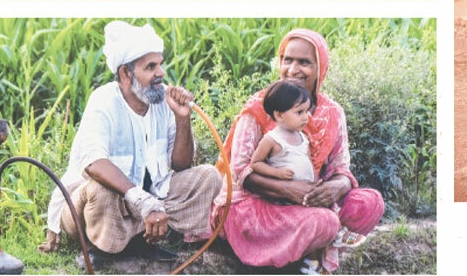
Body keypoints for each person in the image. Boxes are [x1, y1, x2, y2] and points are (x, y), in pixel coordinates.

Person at [38, 21, 223, 268]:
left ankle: (141, 236)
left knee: (208, 177)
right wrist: (142, 201)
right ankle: (104, 247)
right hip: (92, 209)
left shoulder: (161, 99)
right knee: (101, 190)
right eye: (151, 67)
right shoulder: (104, 100)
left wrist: (182, 118)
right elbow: (94, 163)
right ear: (126, 74)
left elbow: (181, 164)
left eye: (160, 64)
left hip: (149, 200)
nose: (161, 73)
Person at [198, 29, 384, 274]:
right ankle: (302, 258)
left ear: (321, 68)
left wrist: (334, 188)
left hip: (309, 201)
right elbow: (241, 173)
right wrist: (288, 189)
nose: (293, 69)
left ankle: (311, 259)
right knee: (325, 222)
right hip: (258, 204)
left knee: (370, 203)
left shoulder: (332, 112)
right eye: (287, 60)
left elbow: (341, 169)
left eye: (304, 62)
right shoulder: (261, 106)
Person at [251, 79, 367, 251]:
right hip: (285, 197)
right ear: (279, 115)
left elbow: (306, 161)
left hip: (305, 189)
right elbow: (255, 164)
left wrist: (316, 180)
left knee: (326, 206)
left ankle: (328, 246)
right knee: (318, 217)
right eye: (299, 112)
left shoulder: (302, 137)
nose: (306, 117)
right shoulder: (271, 139)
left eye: (306, 111)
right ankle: (336, 235)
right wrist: (278, 174)